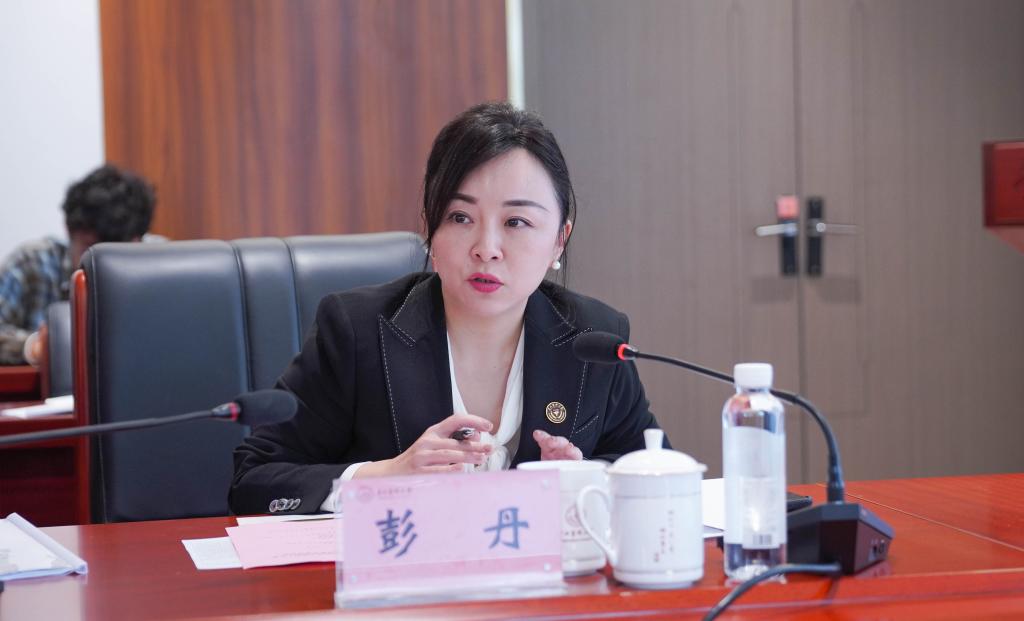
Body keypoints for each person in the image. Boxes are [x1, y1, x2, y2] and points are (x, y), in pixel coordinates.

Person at [229, 102, 667, 516]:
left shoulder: (594, 339)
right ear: (431, 228)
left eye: (516, 222)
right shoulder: (357, 332)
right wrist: (386, 477)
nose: (486, 248)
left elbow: (654, 472)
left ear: (559, 240)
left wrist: (585, 479)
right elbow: (254, 480)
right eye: (460, 217)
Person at [0, 164, 156, 365]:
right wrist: (38, 347)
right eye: (90, 248)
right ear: (69, 230)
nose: (103, 267)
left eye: (115, 251)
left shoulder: (161, 264)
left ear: (137, 241)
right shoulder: (31, 264)